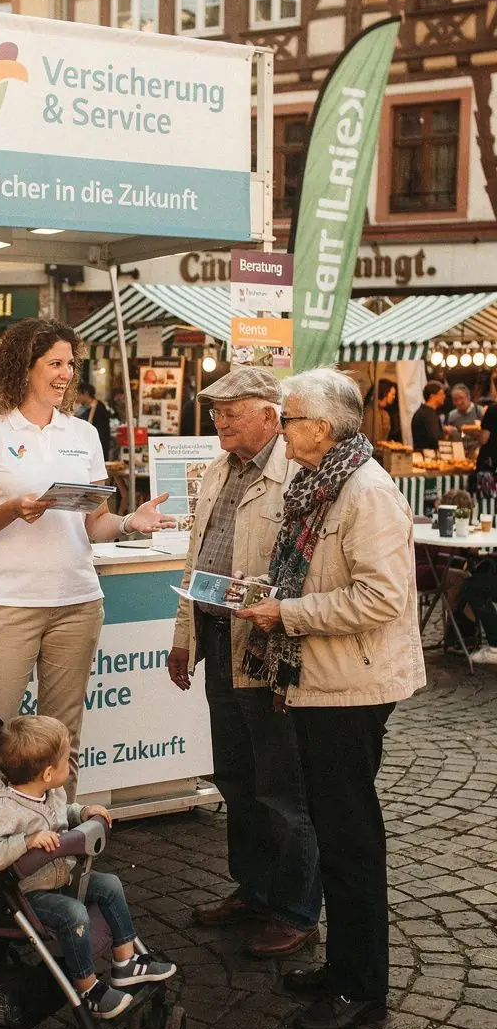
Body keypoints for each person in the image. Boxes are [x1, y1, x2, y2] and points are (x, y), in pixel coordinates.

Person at [239, 368, 424, 1029]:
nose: (280, 428)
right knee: (333, 827)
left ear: (320, 427)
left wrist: (288, 613)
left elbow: (382, 598)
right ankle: (345, 966)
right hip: (321, 678)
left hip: (353, 683)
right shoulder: (322, 482)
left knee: (349, 837)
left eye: (286, 418)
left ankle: (361, 985)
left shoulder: (366, 492)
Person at [0, 318, 172, 801]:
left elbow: (96, 524)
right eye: (54, 363)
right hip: (8, 603)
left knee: (61, 738)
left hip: (77, 601)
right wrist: (11, 511)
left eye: (70, 365)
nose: (65, 374)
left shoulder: (84, 435)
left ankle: (57, 854)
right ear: (23, 368)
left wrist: (132, 522)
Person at [168, 368, 321, 959]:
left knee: (282, 785)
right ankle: (253, 890)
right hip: (218, 641)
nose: (221, 421)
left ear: (269, 414)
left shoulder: (297, 475)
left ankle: (296, 908)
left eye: (233, 410)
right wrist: (184, 637)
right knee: (234, 777)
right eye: (215, 412)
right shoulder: (215, 471)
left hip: (265, 650)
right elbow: (195, 560)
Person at [0, 713, 176, 1018]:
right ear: (46, 773)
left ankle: (125, 963)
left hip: (61, 876)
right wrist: (26, 842)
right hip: (28, 892)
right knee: (74, 914)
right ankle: (87, 987)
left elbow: (62, 812)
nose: (71, 763)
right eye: (66, 758)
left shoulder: (49, 791)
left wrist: (82, 812)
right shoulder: (2, 810)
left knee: (109, 885)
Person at [76, 381, 112, 460]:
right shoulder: (85, 407)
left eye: (78, 394)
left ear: (85, 394)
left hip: (98, 446)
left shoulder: (99, 408)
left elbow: (102, 432)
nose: (76, 397)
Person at [411, 380, 448, 452]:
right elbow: (434, 438)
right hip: (427, 457)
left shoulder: (426, 412)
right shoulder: (427, 414)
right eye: (441, 394)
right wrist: (445, 435)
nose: (444, 396)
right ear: (432, 396)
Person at [361, 379, 396, 445]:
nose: (393, 397)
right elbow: (369, 438)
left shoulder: (384, 413)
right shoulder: (370, 412)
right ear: (385, 393)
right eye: (392, 394)